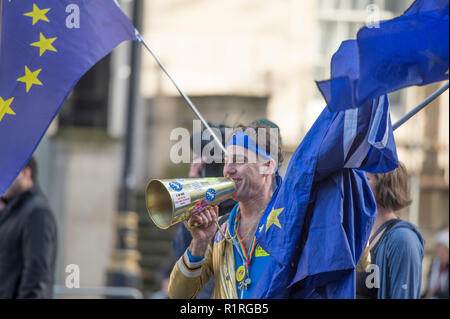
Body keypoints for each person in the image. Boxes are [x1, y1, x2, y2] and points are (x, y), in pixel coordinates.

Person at [356, 162, 425, 299]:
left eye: (366, 179)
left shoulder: (403, 239)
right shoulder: (360, 235)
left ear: (385, 185)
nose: (358, 184)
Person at [0, 157, 58, 298]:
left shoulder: (37, 212)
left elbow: (36, 275)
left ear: (26, 173)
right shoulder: (12, 210)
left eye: (8, 173)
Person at [422, 228, 449, 299]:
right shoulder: (434, 264)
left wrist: (434, 292)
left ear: (446, 248)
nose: (436, 249)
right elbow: (428, 290)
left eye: (439, 246)